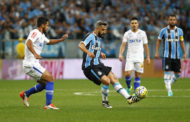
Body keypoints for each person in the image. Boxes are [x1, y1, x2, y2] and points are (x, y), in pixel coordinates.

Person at [78, 20, 141, 109]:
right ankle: (105, 101)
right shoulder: (90, 36)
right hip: (90, 67)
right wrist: (88, 52)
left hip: (98, 64)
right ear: (97, 28)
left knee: (114, 78)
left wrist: (100, 53)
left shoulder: (98, 39)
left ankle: (129, 98)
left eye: (105, 30)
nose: (105, 32)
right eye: (103, 30)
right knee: (106, 81)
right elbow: (80, 45)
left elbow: (94, 49)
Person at [20, 17, 68, 109]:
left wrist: (61, 39)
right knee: (50, 78)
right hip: (31, 63)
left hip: (33, 64)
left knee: (45, 84)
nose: (48, 27)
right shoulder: (35, 32)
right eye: (47, 25)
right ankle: (48, 105)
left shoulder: (41, 35)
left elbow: (49, 42)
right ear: (42, 25)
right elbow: (29, 42)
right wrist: (35, 54)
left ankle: (25, 94)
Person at [155, 14, 186, 96]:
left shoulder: (180, 31)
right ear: (168, 21)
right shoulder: (163, 31)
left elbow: (182, 42)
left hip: (177, 56)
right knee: (167, 73)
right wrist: (156, 52)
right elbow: (158, 41)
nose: (172, 21)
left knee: (177, 74)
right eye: (170, 19)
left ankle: (168, 85)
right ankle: (169, 91)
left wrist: (184, 52)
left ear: (176, 21)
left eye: (173, 19)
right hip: (167, 56)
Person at [119, 17, 150, 96]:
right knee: (127, 74)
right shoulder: (127, 33)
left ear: (138, 24)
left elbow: (146, 46)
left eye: (135, 23)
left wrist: (148, 57)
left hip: (139, 57)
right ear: (130, 24)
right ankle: (129, 86)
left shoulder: (142, 33)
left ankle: (136, 92)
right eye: (132, 23)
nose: (134, 25)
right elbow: (123, 45)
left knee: (137, 74)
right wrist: (120, 54)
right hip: (130, 57)